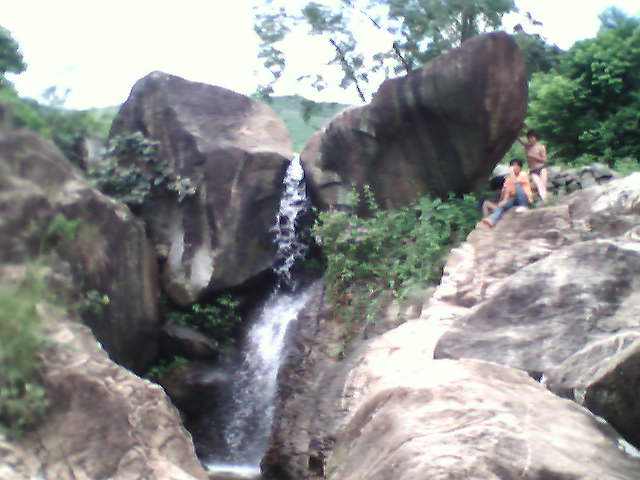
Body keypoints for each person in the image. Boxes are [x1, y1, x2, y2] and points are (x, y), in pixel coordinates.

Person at [482, 158, 532, 227]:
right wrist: (504, 201)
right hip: (513, 199)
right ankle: (491, 220)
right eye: (512, 165)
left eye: (516, 165)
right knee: (502, 205)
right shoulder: (508, 179)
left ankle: (523, 206)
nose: (514, 167)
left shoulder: (523, 174)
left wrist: (512, 173)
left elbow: (516, 182)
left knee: (516, 185)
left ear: (520, 167)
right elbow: (507, 191)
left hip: (524, 198)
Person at [518, 129, 548, 202]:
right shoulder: (527, 146)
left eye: (532, 137)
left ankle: (544, 199)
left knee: (543, 184)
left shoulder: (541, 147)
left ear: (536, 138)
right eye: (529, 138)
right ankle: (543, 199)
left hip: (541, 168)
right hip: (532, 170)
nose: (531, 139)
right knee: (538, 183)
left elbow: (544, 160)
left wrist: (534, 156)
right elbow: (520, 140)